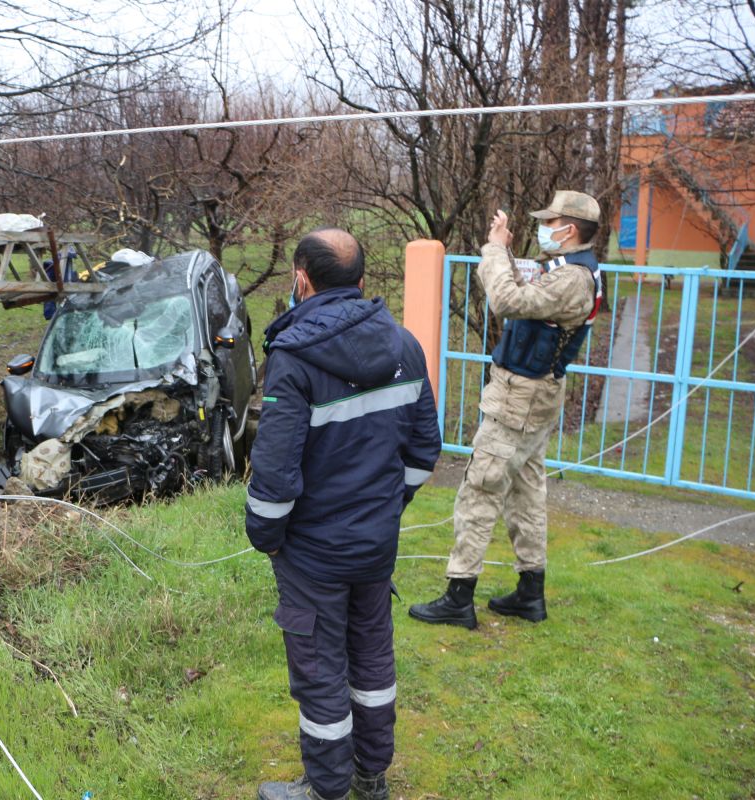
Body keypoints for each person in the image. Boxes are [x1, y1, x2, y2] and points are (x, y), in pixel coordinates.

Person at [246, 228, 441, 800]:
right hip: (375, 548)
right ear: (361, 281)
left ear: (301, 280)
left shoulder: (293, 356)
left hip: (314, 554)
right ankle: (369, 777)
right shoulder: (406, 345)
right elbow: (425, 452)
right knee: (373, 657)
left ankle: (326, 788)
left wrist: (268, 536)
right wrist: (387, 509)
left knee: (320, 669)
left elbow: (274, 474)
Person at [408, 191, 604, 630]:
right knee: (527, 490)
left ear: (569, 229)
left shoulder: (573, 279)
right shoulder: (574, 272)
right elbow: (526, 295)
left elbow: (505, 300)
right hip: (534, 396)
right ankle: (529, 593)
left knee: (481, 487)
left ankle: (459, 596)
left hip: (520, 399)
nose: (545, 228)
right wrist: (509, 255)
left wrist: (496, 248)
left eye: (550, 222)